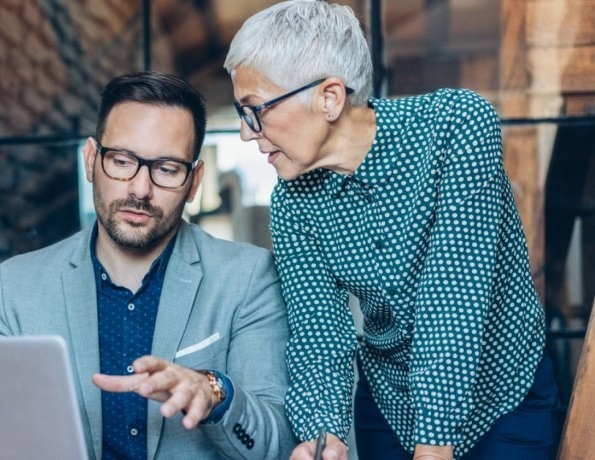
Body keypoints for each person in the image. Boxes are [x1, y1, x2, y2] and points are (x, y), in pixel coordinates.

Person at [224, 2, 559, 460]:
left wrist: (434, 446)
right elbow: (318, 331)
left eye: (254, 110)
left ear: (329, 97)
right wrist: (325, 436)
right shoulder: (292, 203)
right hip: (392, 405)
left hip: (502, 396)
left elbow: (453, 299)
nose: (247, 133)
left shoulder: (455, 128)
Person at [0, 71, 296, 460]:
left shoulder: (248, 278)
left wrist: (215, 393)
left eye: (166, 169)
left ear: (194, 181)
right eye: (122, 160)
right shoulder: (17, 287)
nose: (140, 189)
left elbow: (279, 446)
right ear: (91, 159)